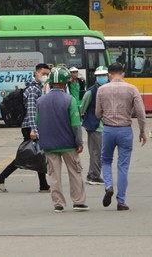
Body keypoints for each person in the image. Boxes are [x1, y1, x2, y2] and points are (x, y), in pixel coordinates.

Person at [0, 63, 52, 193]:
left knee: (37, 153)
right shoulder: (33, 89)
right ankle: (1, 176)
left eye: (47, 74)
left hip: (31, 125)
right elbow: (31, 110)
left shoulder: (36, 87)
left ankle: (43, 184)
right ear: (36, 73)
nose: (46, 76)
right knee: (27, 154)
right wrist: (34, 129)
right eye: (44, 73)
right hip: (29, 126)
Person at [36, 66, 88, 213]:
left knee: (54, 175)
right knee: (75, 172)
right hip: (68, 144)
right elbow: (76, 124)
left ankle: (58, 203)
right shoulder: (69, 100)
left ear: (50, 82)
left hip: (49, 145)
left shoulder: (41, 101)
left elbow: (38, 122)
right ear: (66, 83)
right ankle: (78, 201)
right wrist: (79, 142)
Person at [96, 62, 147, 211]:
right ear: (123, 73)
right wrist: (142, 131)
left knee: (105, 160)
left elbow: (98, 113)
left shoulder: (102, 90)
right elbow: (141, 113)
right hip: (125, 130)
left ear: (109, 75)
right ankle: (121, 201)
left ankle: (109, 185)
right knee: (123, 166)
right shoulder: (132, 89)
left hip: (108, 129)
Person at [79, 65, 107, 185]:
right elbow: (82, 109)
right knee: (96, 152)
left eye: (104, 75)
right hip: (96, 127)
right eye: (99, 76)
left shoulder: (109, 89)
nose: (102, 77)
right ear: (96, 77)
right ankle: (93, 176)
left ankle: (94, 174)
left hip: (107, 127)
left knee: (101, 153)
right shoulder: (91, 91)